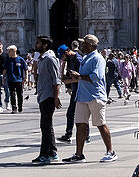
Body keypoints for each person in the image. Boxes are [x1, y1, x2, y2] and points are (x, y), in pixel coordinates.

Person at [63, 35, 117, 163]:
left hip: (95, 96)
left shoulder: (98, 58)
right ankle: (79, 154)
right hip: (82, 96)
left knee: (100, 124)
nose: (82, 46)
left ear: (92, 45)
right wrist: (70, 79)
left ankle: (111, 152)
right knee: (80, 124)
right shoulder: (86, 58)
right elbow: (82, 77)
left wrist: (79, 76)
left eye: (85, 44)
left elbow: (96, 77)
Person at [32, 36, 63, 164]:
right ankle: (52, 152)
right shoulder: (41, 59)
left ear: (45, 45)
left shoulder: (50, 59)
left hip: (48, 96)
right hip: (43, 95)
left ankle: (45, 154)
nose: (36, 45)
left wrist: (56, 98)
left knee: (46, 125)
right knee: (46, 125)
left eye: (38, 43)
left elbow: (56, 80)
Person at [5, 45, 27, 113]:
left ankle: (20, 106)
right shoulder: (8, 60)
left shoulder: (20, 59)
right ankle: (14, 108)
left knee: (19, 94)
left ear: (14, 51)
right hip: (10, 79)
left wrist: (26, 77)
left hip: (19, 79)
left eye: (10, 51)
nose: (9, 52)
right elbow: (5, 69)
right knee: (12, 94)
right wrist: (3, 77)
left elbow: (25, 68)